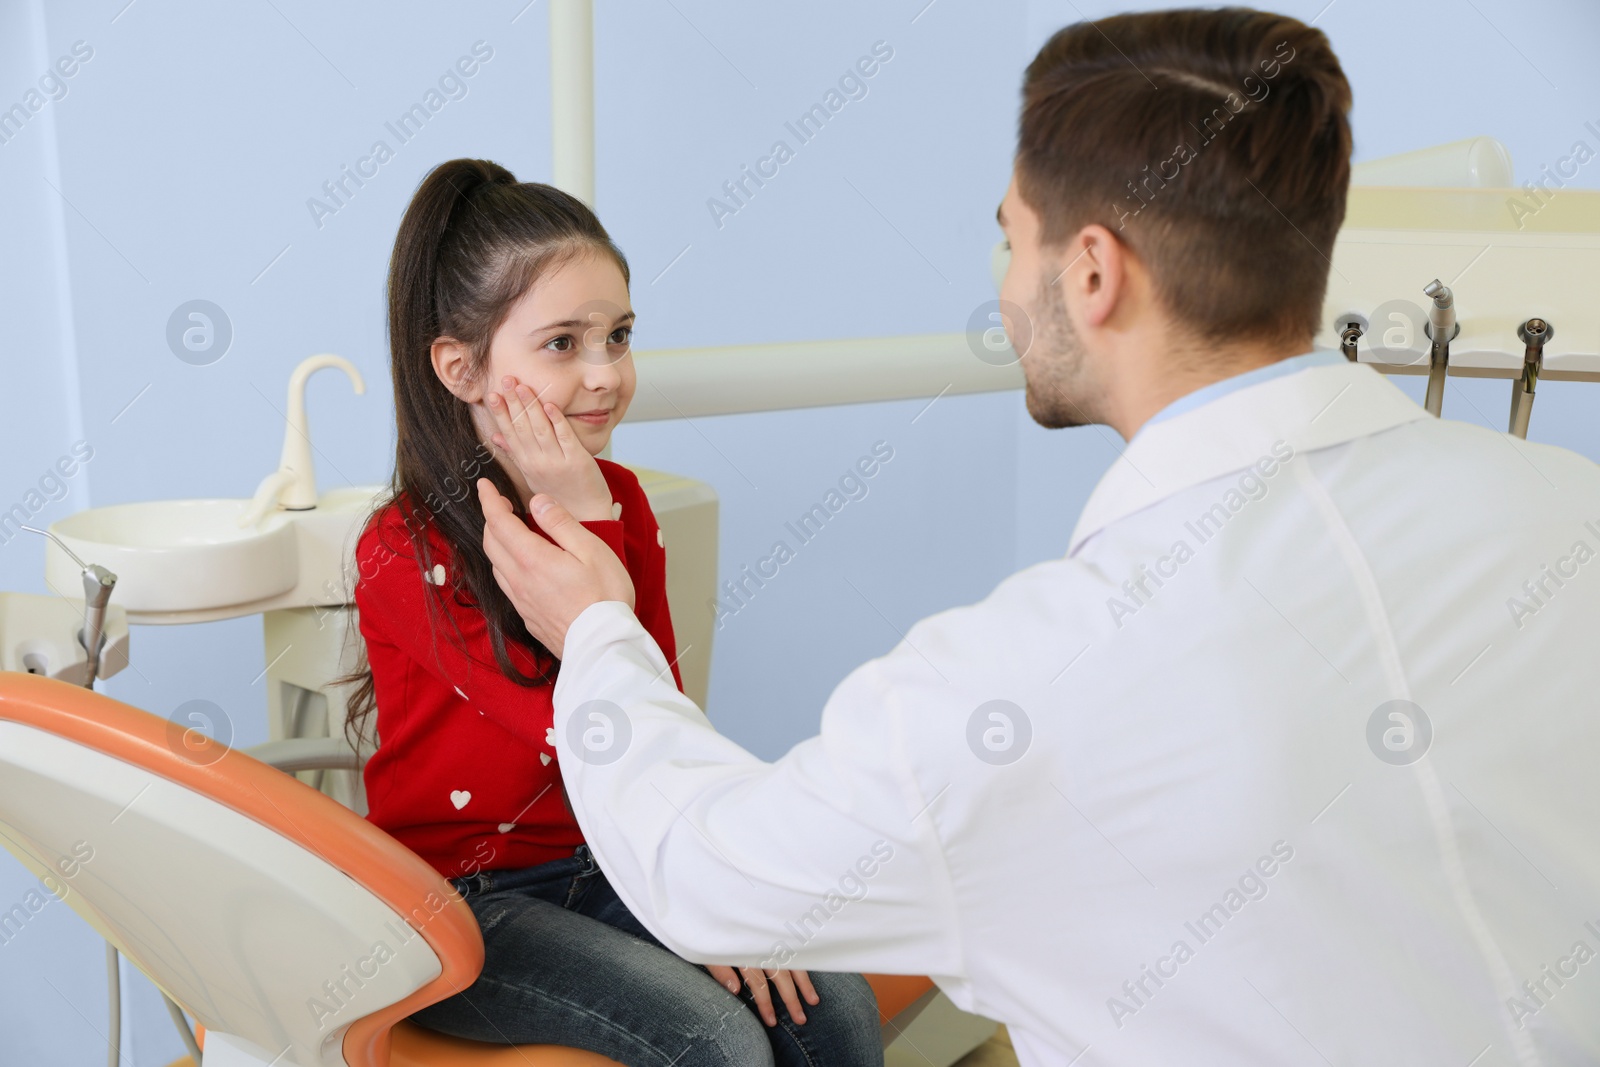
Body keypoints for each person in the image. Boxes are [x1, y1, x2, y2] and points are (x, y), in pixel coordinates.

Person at [473, 9, 1600, 1067]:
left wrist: (598, 630)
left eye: (1011, 243)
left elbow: (706, 869)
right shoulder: (1567, 514)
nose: (1007, 292)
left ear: (1093, 272)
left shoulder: (1022, 688)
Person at [345, 158, 883, 1066]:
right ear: (461, 366)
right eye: (563, 343)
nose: (605, 375)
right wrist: (585, 518)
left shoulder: (623, 499)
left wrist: (709, 883)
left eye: (619, 335)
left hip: (617, 856)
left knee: (837, 1007)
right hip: (466, 898)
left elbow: (655, 702)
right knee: (712, 1039)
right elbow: (581, 731)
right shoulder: (406, 548)